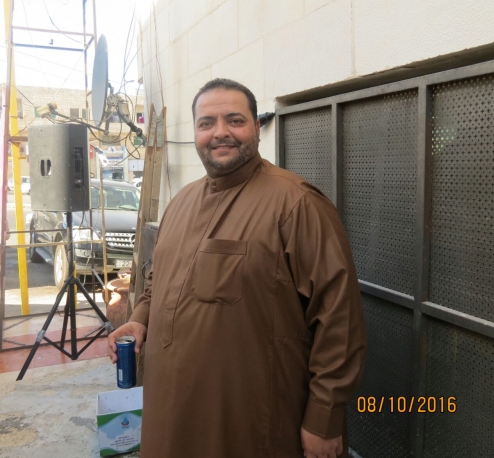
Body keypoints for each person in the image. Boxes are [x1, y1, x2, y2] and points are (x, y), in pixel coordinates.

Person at [108, 78, 366, 458]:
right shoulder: (181, 202)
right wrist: (140, 319)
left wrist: (323, 418)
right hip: (168, 413)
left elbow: (339, 317)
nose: (220, 133)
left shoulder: (296, 204)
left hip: (246, 424)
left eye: (234, 120)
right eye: (206, 123)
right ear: (195, 132)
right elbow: (158, 280)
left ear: (256, 128)